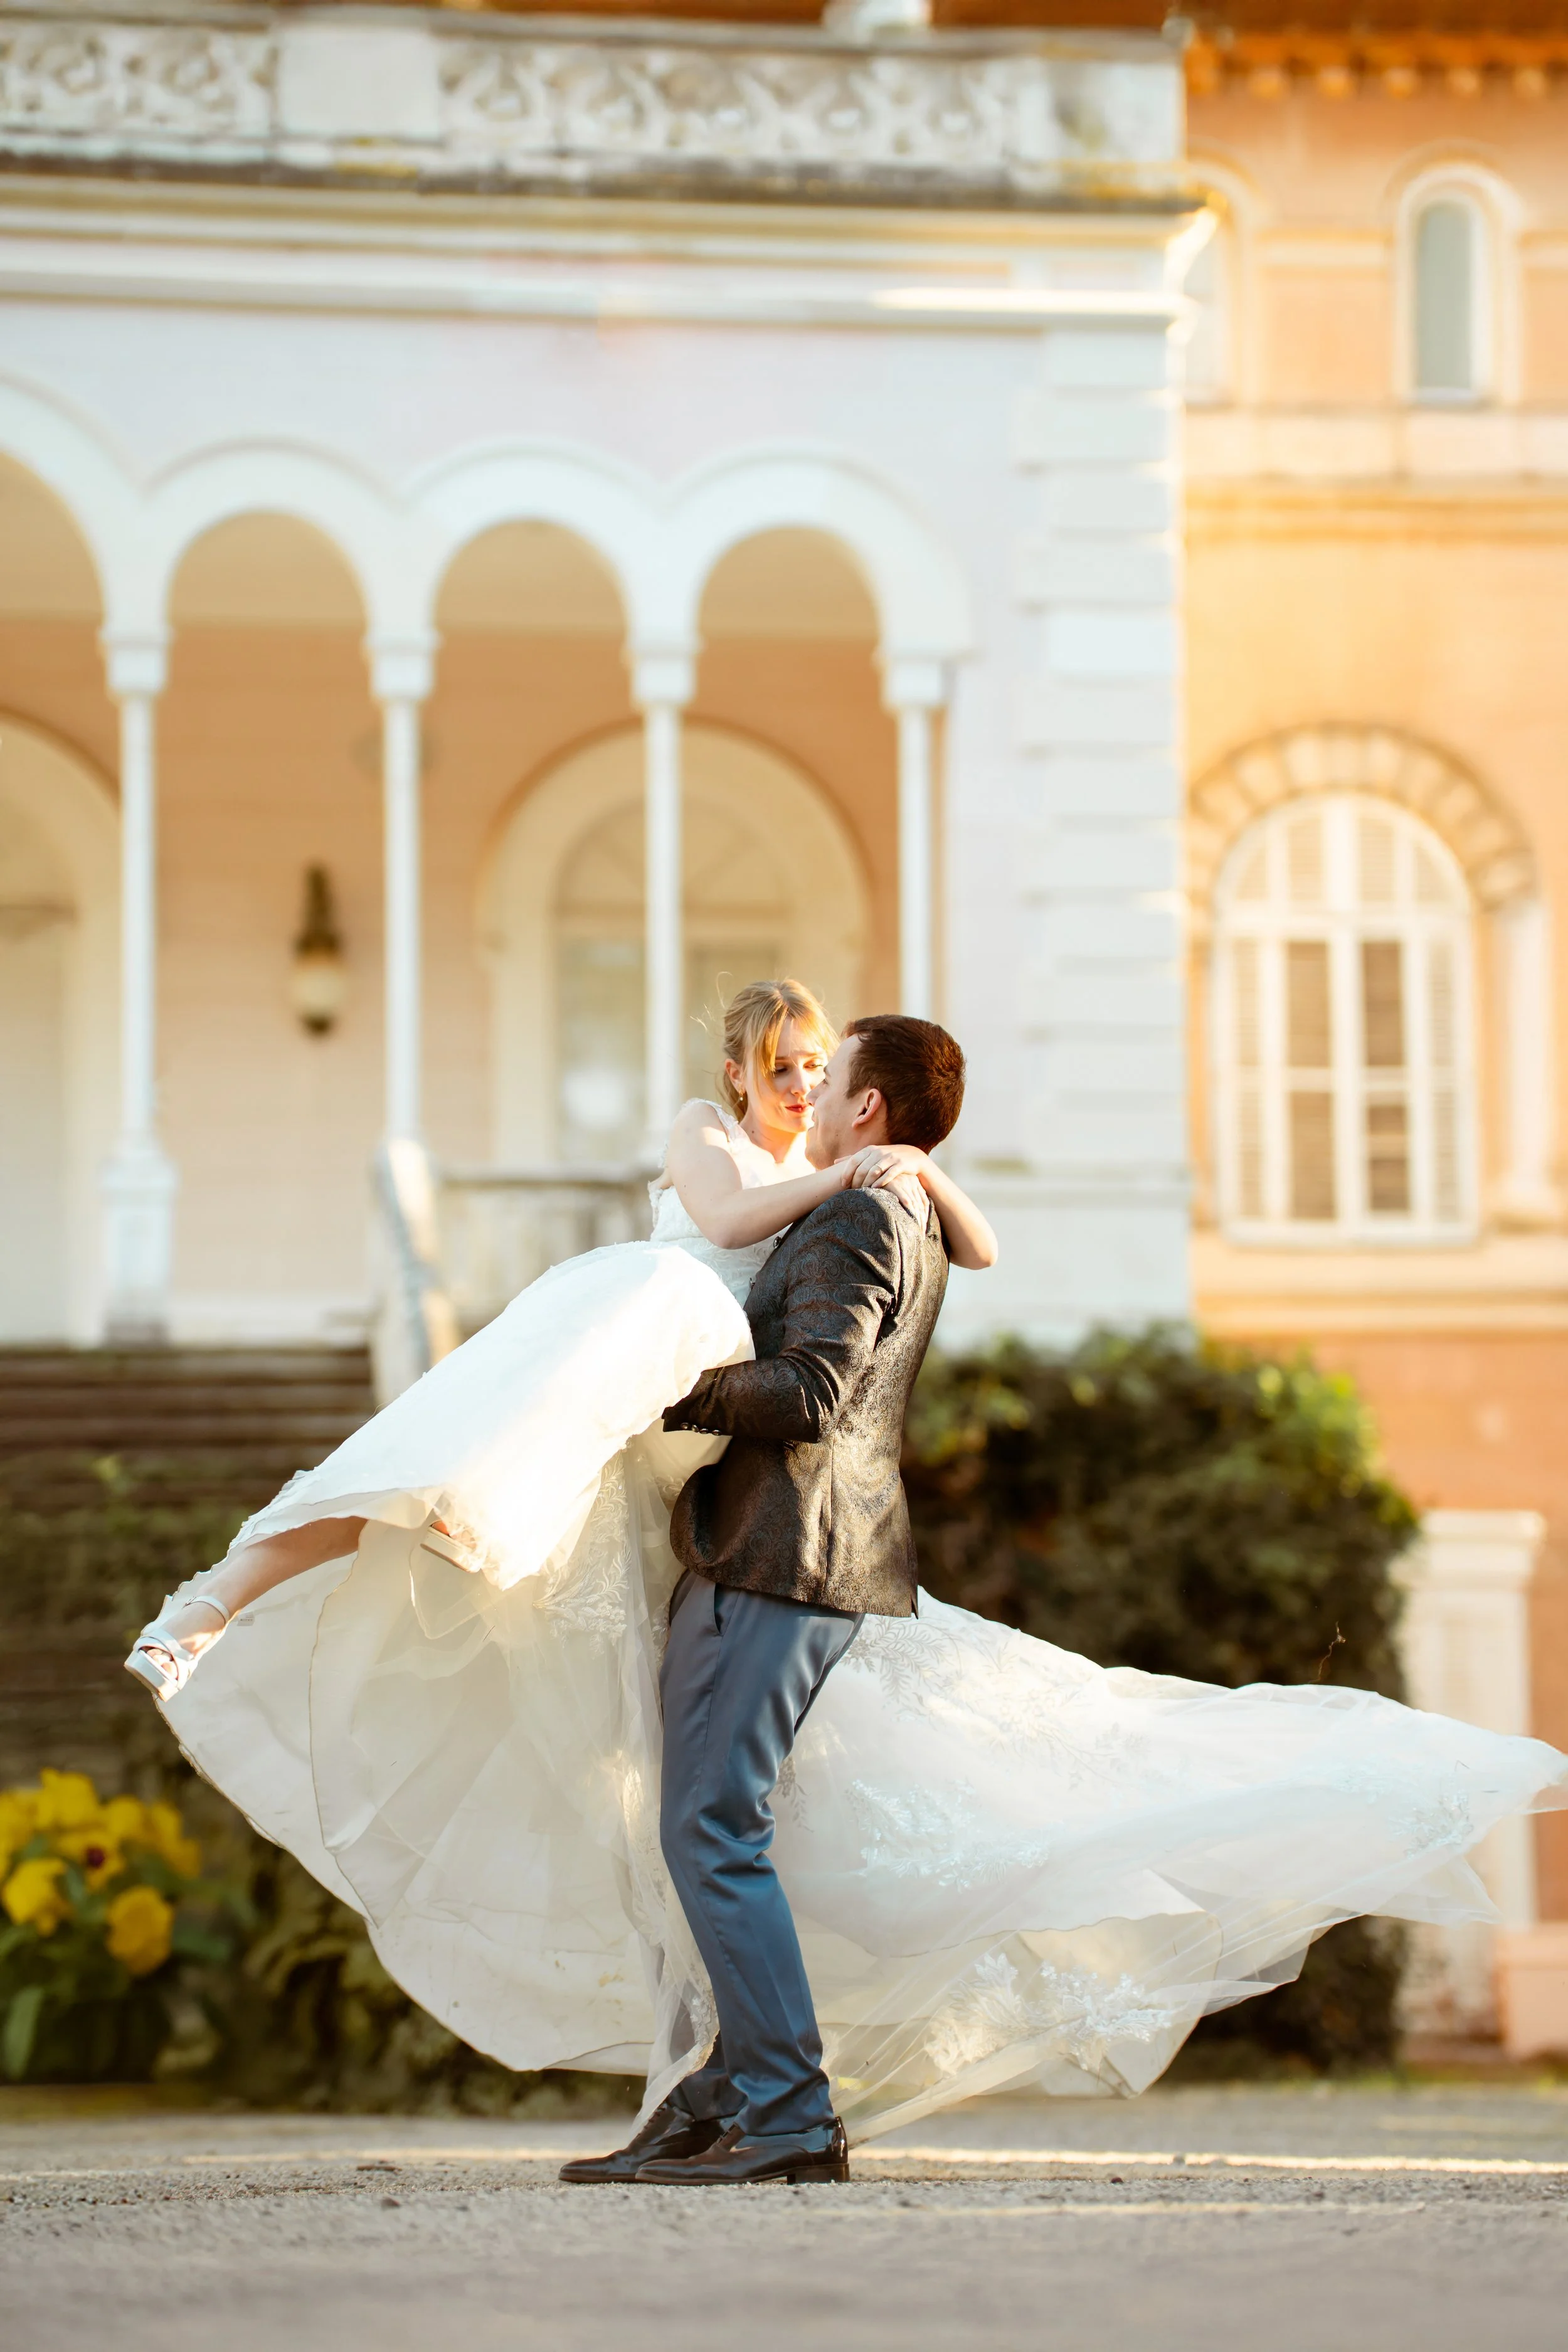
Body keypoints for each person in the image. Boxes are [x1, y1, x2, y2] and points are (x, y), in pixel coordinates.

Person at [126, 979, 1567, 2163]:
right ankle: (709, 2096)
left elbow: (809, 1388)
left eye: (827, 1070)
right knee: (673, 1816)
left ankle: (781, 2106)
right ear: (748, 1065)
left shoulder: (865, 1204)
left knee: (705, 1825)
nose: (805, 1085)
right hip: (726, 1526)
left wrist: (675, 1381)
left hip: (779, 1546)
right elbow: (764, 1227)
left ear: (861, 1097)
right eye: (789, 1064)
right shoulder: (796, 1172)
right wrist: (870, 1168)